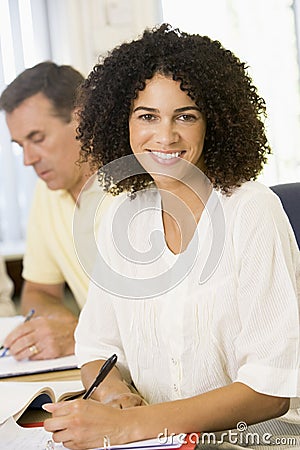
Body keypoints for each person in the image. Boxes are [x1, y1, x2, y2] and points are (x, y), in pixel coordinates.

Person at [44, 24, 300, 449]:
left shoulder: (251, 210)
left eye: (186, 115)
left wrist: (133, 426)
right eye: (147, 116)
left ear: (213, 122)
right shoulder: (122, 216)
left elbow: (269, 390)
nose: (165, 136)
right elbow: (96, 345)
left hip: (258, 440)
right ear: (119, 122)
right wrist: (114, 396)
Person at [0, 62, 109, 360]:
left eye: (37, 138)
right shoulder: (47, 192)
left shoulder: (138, 187)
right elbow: (38, 293)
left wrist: (79, 336)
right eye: (20, 145)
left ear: (82, 120)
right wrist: (66, 326)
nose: (28, 159)